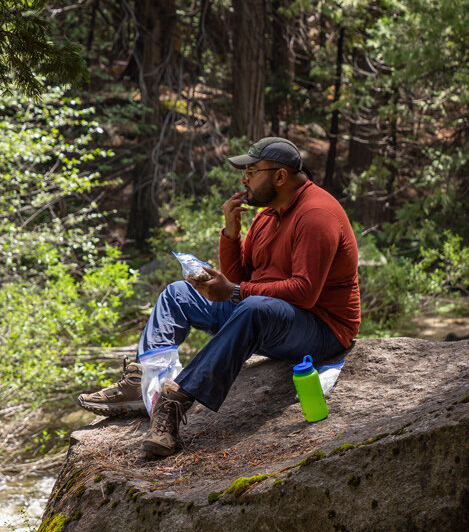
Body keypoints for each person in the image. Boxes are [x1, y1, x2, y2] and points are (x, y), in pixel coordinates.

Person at [78, 136, 361, 459]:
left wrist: (236, 292)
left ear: (280, 177)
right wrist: (231, 232)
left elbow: (305, 292)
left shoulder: (316, 214)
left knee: (254, 307)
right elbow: (240, 279)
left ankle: (173, 403)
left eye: (251, 171)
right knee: (178, 294)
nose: (244, 179)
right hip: (266, 313)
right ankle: (144, 380)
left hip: (323, 328)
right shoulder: (268, 215)